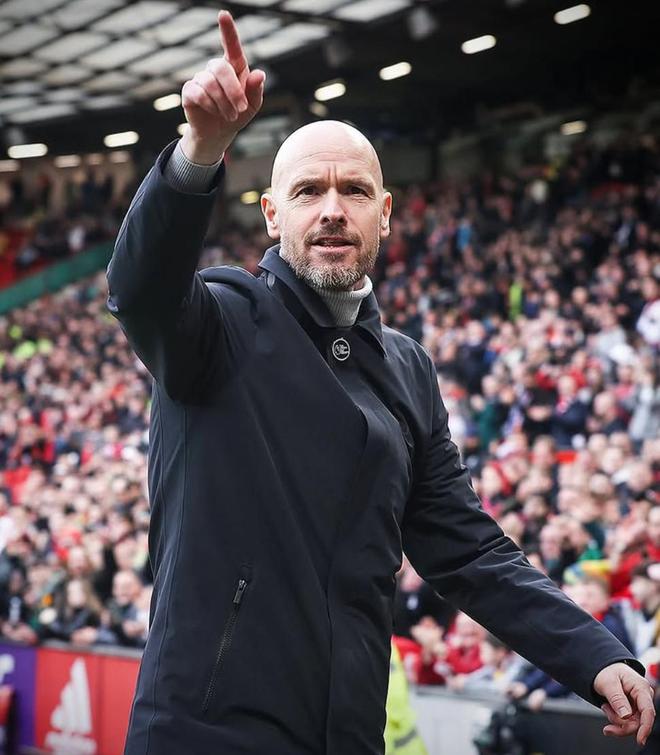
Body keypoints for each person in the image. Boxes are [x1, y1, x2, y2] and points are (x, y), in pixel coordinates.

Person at [106, 11, 655, 754]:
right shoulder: (222, 319)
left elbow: (469, 551)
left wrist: (592, 653)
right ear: (272, 215)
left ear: (385, 214)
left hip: (348, 735)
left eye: (355, 191)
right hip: (207, 735)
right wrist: (199, 151)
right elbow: (140, 290)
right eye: (308, 191)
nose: (333, 209)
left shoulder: (408, 369)